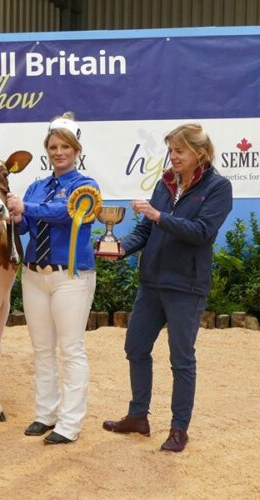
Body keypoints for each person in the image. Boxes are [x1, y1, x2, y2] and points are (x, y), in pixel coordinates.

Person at [101, 123, 232, 452]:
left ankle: (178, 429)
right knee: (135, 347)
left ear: (199, 153)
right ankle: (138, 417)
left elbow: (202, 232)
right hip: (152, 284)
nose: (172, 157)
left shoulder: (218, 187)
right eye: (170, 150)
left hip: (186, 287)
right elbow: (145, 231)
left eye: (179, 151)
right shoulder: (166, 182)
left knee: (182, 359)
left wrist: (159, 215)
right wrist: (119, 248)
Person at [6, 112, 99, 445]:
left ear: (76, 151)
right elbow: (25, 228)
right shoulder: (36, 186)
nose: (59, 152)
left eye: (65, 147)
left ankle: (70, 423)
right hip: (34, 275)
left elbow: (68, 214)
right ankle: (46, 413)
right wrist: (13, 216)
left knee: (71, 349)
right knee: (42, 349)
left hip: (71, 275)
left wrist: (27, 208)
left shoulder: (86, 186)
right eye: (53, 147)